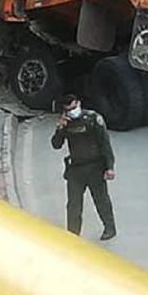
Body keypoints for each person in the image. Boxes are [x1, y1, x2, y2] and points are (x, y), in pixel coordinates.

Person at [51, 94, 117, 240]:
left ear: (79, 103)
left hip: (95, 167)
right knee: (73, 204)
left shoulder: (93, 119)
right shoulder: (66, 123)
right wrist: (60, 128)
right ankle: (73, 234)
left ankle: (110, 228)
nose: (73, 111)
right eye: (69, 109)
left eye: (74, 107)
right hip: (76, 169)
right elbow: (56, 145)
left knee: (101, 200)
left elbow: (104, 143)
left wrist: (109, 167)